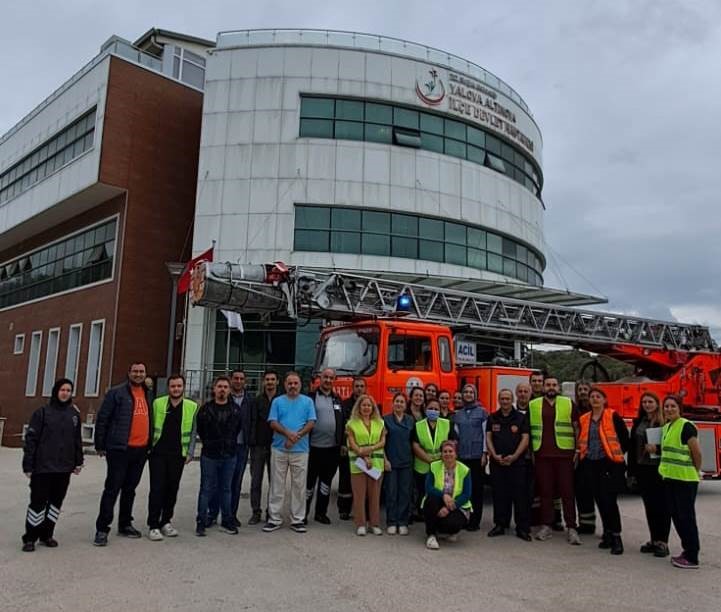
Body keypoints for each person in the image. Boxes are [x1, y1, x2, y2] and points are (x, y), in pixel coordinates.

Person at [93, 362, 153, 546]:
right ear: (129, 373)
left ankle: (125, 523)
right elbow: (103, 418)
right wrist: (100, 444)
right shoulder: (116, 393)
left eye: (141, 371)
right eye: (135, 371)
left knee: (130, 489)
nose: (138, 374)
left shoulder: (148, 394)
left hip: (141, 449)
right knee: (112, 489)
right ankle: (102, 529)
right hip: (120, 449)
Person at [21, 378, 83, 552]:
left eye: (69, 390)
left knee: (56, 503)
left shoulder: (74, 415)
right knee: (38, 502)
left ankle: (47, 535)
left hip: (64, 468)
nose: (65, 393)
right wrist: (28, 465)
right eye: (62, 389)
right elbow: (31, 440)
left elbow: (77, 440)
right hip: (42, 467)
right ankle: (30, 538)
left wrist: (78, 461)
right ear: (56, 391)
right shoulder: (42, 413)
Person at [529, 376, 581, 545]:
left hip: (564, 454)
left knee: (567, 492)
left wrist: (578, 449)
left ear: (558, 387)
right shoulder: (533, 405)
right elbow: (529, 430)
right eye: (547, 385)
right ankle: (546, 525)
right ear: (543, 387)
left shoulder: (568, 403)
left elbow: (576, 427)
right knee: (546, 493)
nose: (551, 387)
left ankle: (572, 527)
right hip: (542, 454)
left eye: (553, 385)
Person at [576, 387, 628, 555]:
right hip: (590, 464)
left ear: (604, 400)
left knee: (610, 502)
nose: (595, 399)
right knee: (599, 499)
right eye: (592, 397)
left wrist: (614, 458)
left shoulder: (612, 416)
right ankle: (606, 534)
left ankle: (616, 536)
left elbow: (624, 439)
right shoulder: (584, 419)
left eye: (598, 396)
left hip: (609, 464)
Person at [263, 372, 316, 533]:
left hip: (300, 450)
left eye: (295, 383)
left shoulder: (307, 402)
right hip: (279, 448)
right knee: (277, 485)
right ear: (284, 385)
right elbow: (272, 422)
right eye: (290, 383)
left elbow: (311, 422)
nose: (293, 386)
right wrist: (288, 434)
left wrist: (295, 437)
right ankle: (274, 518)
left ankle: (297, 519)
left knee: (299, 486)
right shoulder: (278, 402)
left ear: (300, 385)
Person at [146, 374, 198, 541]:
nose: (176, 389)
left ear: (183, 387)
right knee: (157, 489)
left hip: (178, 454)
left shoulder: (191, 406)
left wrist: (190, 452)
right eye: (173, 386)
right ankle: (153, 524)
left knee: (172, 489)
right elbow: (151, 423)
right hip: (158, 453)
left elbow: (193, 431)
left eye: (179, 386)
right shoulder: (158, 403)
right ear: (168, 388)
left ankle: (166, 521)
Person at [658, 394, 702, 569]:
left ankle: (692, 556)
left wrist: (695, 471)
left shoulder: (686, 426)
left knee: (686, 518)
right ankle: (687, 551)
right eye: (666, 406)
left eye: (672, 406)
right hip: (670, 478)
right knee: (677, 517)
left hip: (685, 479)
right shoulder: (667, 426)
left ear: (679, 408)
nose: (669, 409)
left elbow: (696, 452)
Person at [195, 376, 242, 536]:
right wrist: (210, 442)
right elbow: (200, 429)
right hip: (209, 455)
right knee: (206, 489)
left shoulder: (236, 410)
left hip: (229, 455)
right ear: (214, 389)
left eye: (225, 387)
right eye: (219, 386)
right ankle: (201, 521)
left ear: (229, 390)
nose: (222, 389)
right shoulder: (205, 409)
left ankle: (227, 521)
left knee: (226, 489)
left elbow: (237, 429)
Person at [208, 369, 253, 528]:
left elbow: (251, 422)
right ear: (231, 380)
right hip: (222, 446)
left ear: (245, 382)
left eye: (241, 378)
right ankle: (212, 514)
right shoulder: (222, 398)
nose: (238, 381)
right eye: (235, 378)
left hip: (241, 447)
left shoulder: (249, 400)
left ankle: (230, 515)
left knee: (235, 483)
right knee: (216, 481)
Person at [628, 392, 670, 557]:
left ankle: (663, 542)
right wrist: (631, 471)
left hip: (659, 469)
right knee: (650, 507)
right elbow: (632, 448)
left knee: (663, 507)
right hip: (642, 468)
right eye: (644, 402)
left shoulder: (664, 422)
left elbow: (671, 444)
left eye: (650, 401)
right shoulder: (639, 421)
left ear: (657, 403)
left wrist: (657, 449)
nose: (647, 404)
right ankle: (653, 540)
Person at [486, 388, 531, 541]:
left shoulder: (520, 418)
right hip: (497, 463)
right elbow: (488, 437)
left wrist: (515, 456)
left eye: (507, 399)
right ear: (499, 400)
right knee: (499, 495)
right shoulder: (492, 418)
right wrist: (494, 455)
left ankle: (522, 528)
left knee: (520, 496)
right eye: (502, 399)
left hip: (516, 463)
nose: (505, 401)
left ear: (512, 400)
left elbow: (525, 439)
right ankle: (500, 524)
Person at [306, 368, 344, 524]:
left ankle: (321, 513)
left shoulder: (337, 399)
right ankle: (303, 514)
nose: (328, 380)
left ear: (334, 380)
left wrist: (341, 443)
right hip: (313, 448)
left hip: (332, 449)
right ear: (320, 378)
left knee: (326, 482)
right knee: (309, 483)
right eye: (325, 377)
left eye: (331, 378)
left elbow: (342, 422)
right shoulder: (310, 397)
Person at [346, 394, 387, 535]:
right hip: (358, 464)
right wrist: (363, 455)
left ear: (373, 407)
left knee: (375, 495)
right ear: (359, 407)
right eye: (363, 405)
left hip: (376, 464)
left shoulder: (380, 423)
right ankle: (361, 524)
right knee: (359, 496)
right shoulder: (351, 424)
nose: (366, 408)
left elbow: (382, 442)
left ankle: (374, 524)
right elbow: (352, 444)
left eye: (369, 405)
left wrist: (368, 450)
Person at [423, 440, 472, 550]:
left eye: (451, 451)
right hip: (439, 501)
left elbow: (466, 494)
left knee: (453, 523)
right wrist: (443, 495)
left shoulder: (465, 470)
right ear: (441, 454)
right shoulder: (434, 466)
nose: (448, 454)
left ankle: (447, 531)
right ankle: (431, 535)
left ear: (456, 454)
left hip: (456, 505)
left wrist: (449, 508)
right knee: (431, 500)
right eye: (445, 451)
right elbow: (428, 488)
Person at [452, 383, 488, 531]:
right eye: (465, 392)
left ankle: (475, 522)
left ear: (475, 395)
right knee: (463, 489)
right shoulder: (457, 415)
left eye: (471, 392)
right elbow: (456, 436)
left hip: (476, 456)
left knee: (477, 490)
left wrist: (485, 454)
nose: (468, 394)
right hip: (462, 457)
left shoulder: (482, 413)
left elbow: (486, 434)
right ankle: (464, 518)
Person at [412, 399, 453, 521]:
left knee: (440, 490)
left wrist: (442, 456)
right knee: (422, 491)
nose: (433, 411)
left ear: (440, 411)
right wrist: (429, 460)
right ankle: (423, 515)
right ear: (425, 409)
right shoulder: (418, 425)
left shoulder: (447, 423)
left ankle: (438, 516)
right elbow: (415, 445)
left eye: (436, 409)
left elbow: (452, 442)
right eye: (430, 408)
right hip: (422, 464)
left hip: (442, 463)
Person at [248, 369, 279, 525]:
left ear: (277, 382)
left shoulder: (281, 400)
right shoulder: (256, 400)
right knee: (256, 481)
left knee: (274, 481)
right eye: (267, 379)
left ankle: (271, 512)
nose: (270, 382)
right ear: (263, 382)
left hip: (276, 446)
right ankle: (256, 511)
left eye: (272, 379)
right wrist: (252, 443)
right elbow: (253, 421)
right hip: (258, 446)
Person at [383, 393, 414, 535]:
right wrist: (385, 460)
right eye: (397, 401)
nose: (399, 404)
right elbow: (381, 443)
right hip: (391, 462)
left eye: (402, 402)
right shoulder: (386, 420)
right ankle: (391, 521)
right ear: (393, 403)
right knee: (391, 492)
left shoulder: (411, 420)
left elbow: (414, 442)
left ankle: (402, 522)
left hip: (406, 462)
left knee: (404, 493)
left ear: (405, 405)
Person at [338, 377, 367, 520]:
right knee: (345, 479)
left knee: (363, 480)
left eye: (362, 386)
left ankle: (361, 510)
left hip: (365, 449)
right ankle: (344, 509)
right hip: (348, 447)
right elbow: (342, 426)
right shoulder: (345, 405)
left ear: (365, 388)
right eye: (357, 386)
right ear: (353, 388)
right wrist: (343, 444)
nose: (359, 388)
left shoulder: (369, 405)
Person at [574, 379, 596, 535]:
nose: (582, 392)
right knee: (581, 492)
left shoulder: (598, 410)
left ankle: (602, 527)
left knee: (599, 494)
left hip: (595, 458)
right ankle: (585, 524)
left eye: (585, 389)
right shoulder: (574, 410)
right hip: (580, 458)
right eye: (580, 389)